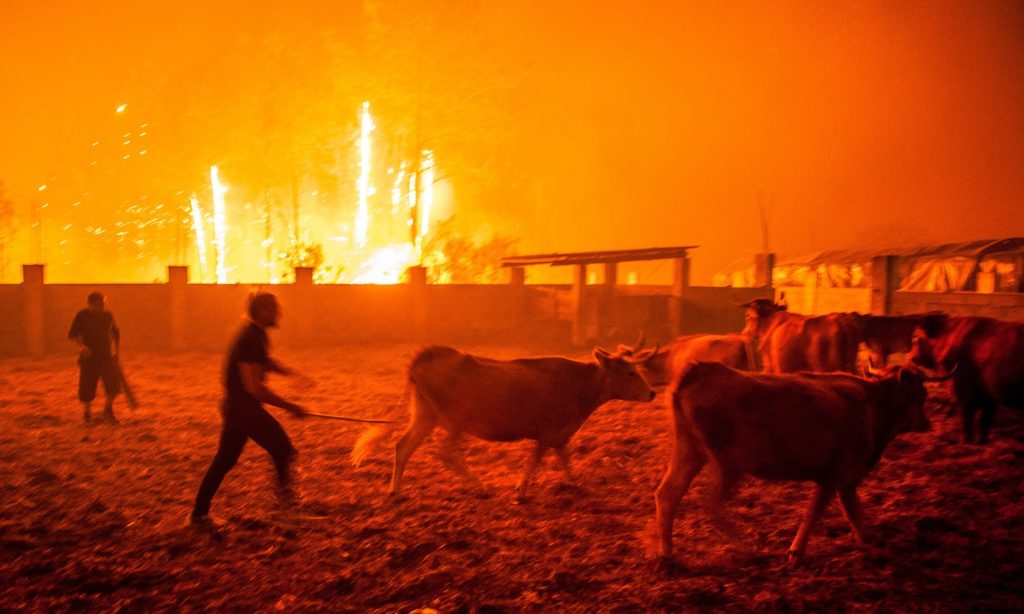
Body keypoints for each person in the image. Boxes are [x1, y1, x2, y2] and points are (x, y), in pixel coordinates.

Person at [190, 292, 308, 528]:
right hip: (243, 408)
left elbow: (263, 361)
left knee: (225, 460)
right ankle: (286, 513)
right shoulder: (250, 337)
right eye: (275, 308)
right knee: (283, 450)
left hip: (236, 407)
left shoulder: (256, 333)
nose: (279, 313)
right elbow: (254, 388)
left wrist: (290, 373)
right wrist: (290, 406)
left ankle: (198, 515)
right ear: (263, 311)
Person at [68, 292, 121, 423]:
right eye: (99, 304)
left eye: (103, 304)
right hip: (89, 357)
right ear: (90, 304)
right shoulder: (82, 316)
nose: (102, 307)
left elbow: (115, 333)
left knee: (113, 383)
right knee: (87, 386)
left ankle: (108, 410)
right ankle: (87, 413)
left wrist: (117, 352)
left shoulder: (107, 315)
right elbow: (72, 334)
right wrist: (81, 346)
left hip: (106, 356)